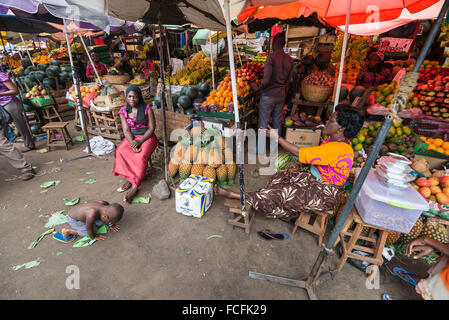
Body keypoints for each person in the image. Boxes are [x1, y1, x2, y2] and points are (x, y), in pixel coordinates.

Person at [215, 105, 364, 221]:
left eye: (330, 120)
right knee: (278, 177)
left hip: (325, 193)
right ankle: (281, 208)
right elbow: (320, 160)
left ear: (341, 128)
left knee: (278, 193)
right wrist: (300, 165)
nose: (326, 122)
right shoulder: (334, 141)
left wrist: (277, 138)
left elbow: (299, 153)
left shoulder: (340, 149)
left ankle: (232, 194)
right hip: (314, 180)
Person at [112, 85, 158, 203]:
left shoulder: (147, 109)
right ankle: (130, 178)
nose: (132, 99)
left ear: (139, 97)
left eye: (135, 97)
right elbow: (126, 130)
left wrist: (139, 141)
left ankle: (135, 187)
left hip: (147, 137)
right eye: (130, 96)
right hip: (131, 138)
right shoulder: (123, 111)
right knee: (120, 151)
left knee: (140, 156)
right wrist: (132, 141)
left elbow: (152, 128)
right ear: (126, 97)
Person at [255, 32, 295, 135]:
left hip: (269, 95)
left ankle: (261, 149)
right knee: (278, 121)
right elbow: (288, 83)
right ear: (284, 44)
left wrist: (256, 87)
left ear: (273, 43)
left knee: (263, 122)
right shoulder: (290, 60)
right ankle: (274, 147)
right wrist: (284, 95)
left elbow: (266, 80)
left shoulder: (271, 58)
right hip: (281, 95)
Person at [0, 69, 35, 152]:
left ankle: (30, 145)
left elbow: (15, 90)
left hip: (11, 103)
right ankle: (6, 149)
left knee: (21, 126)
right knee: (4, 127)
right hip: (3, 105)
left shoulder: (1, 75)